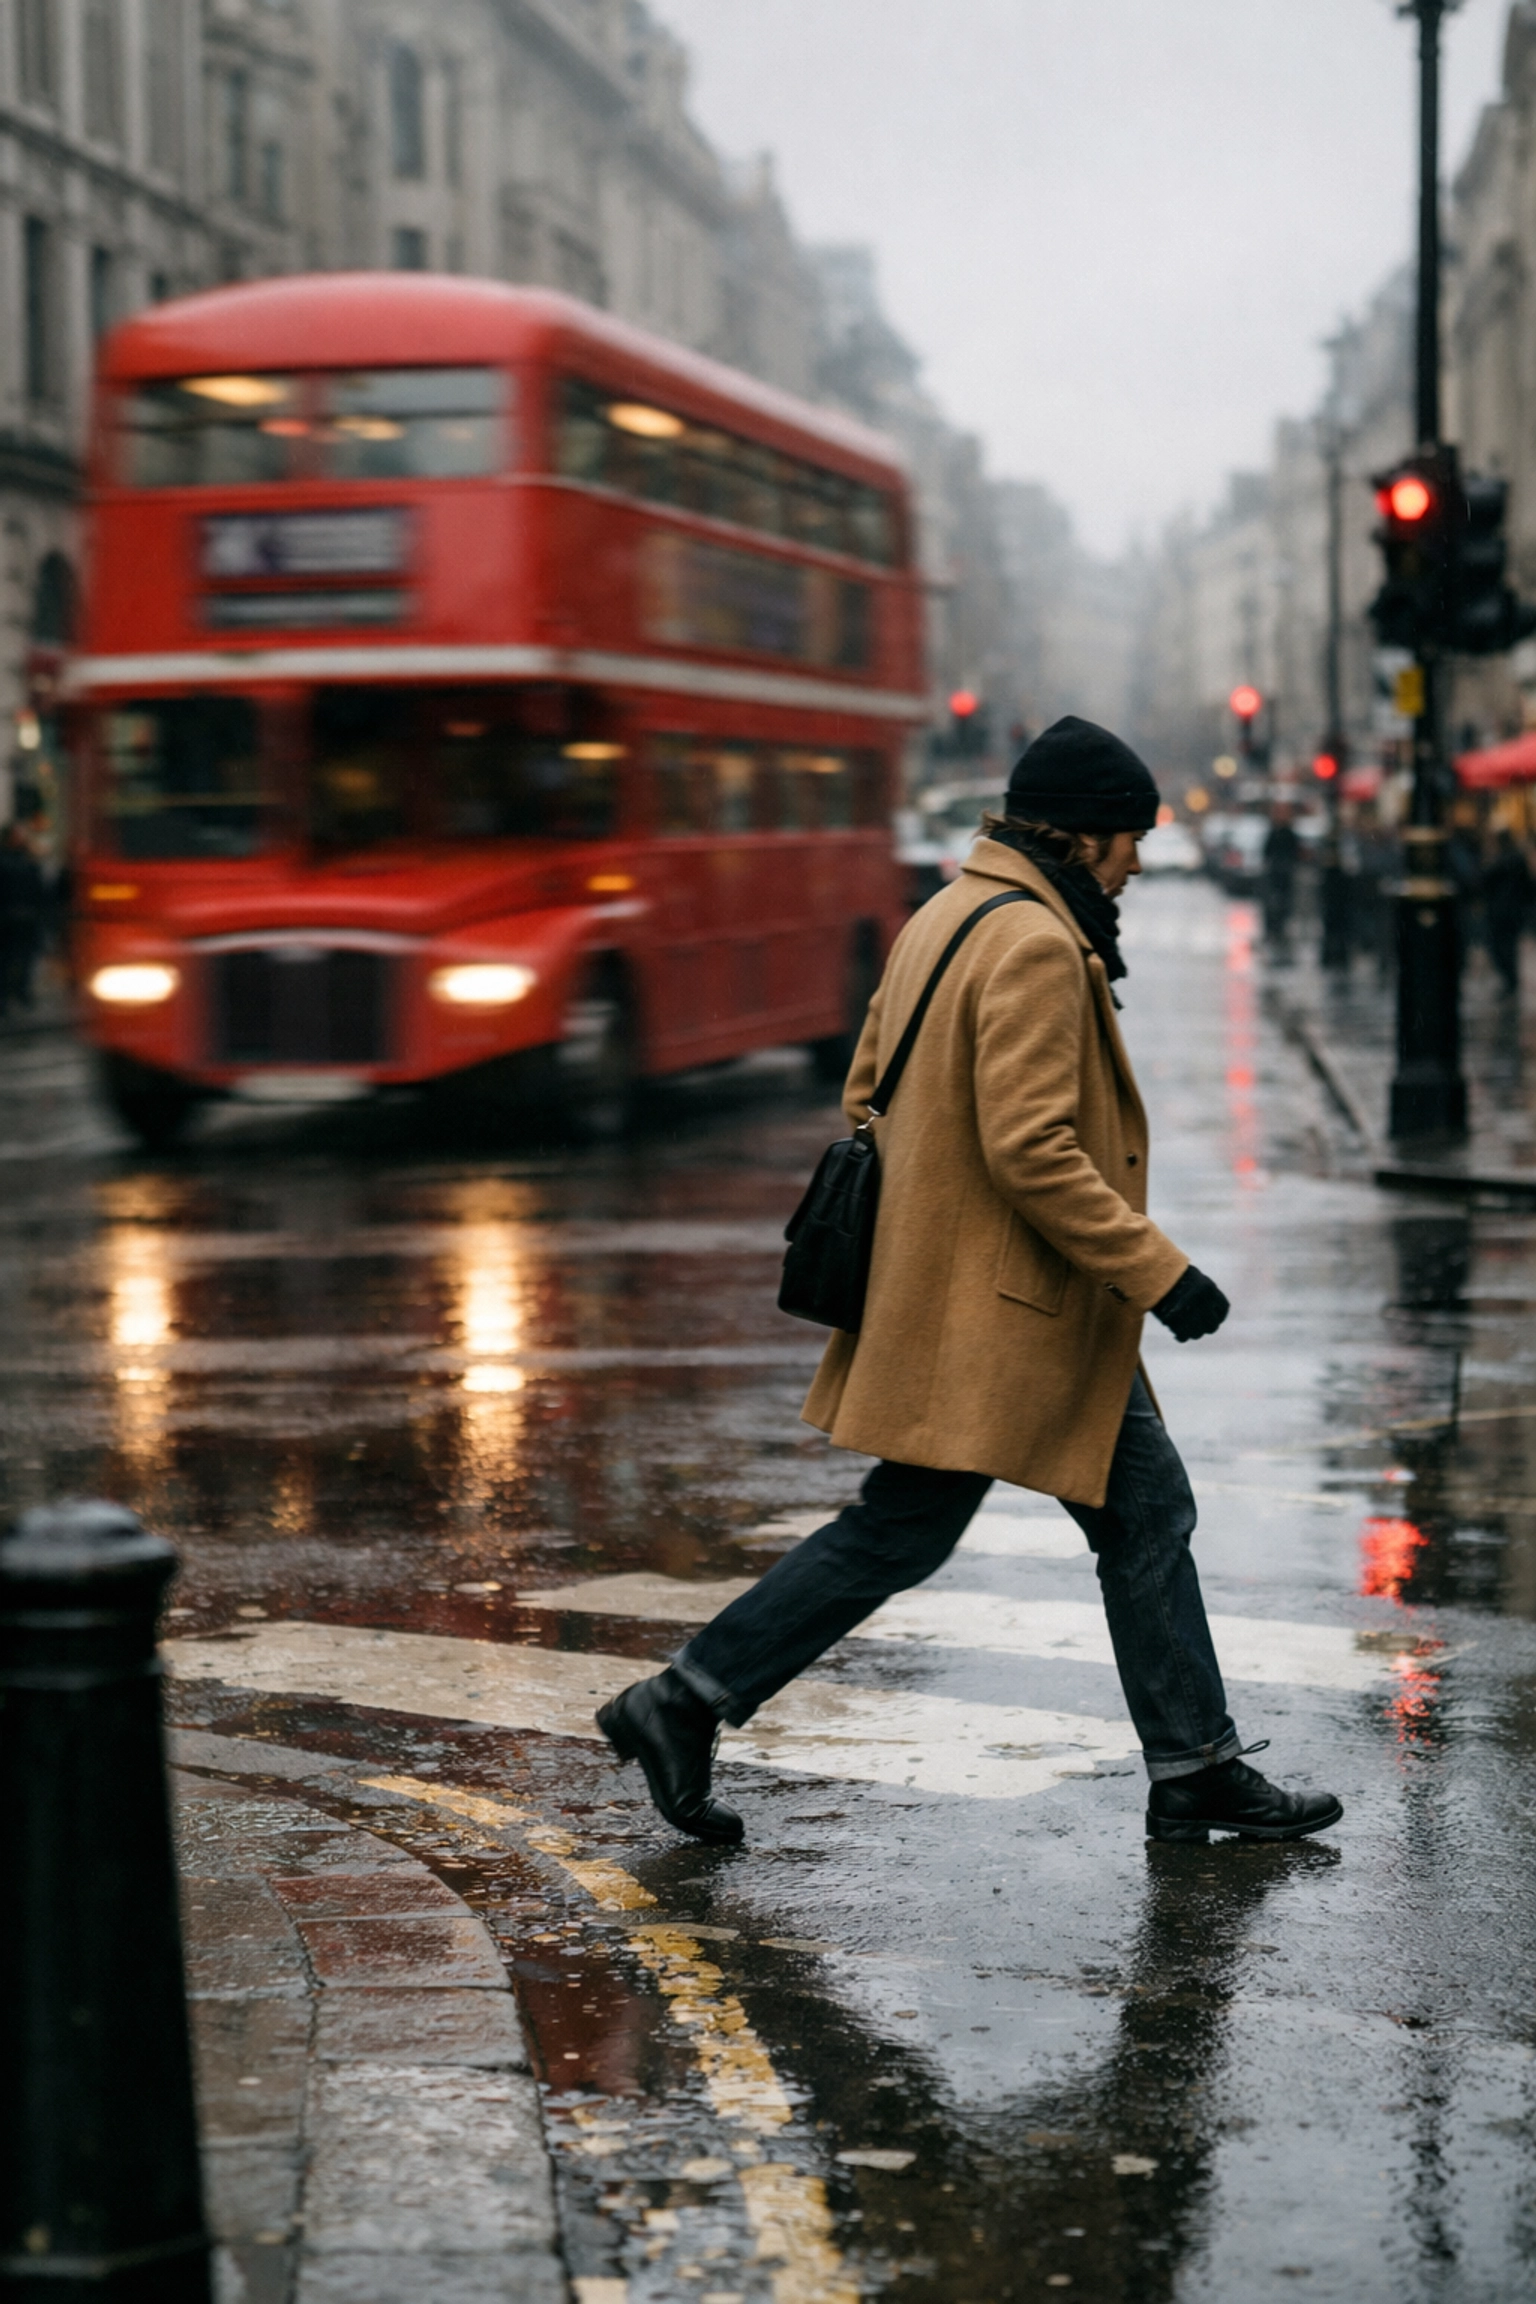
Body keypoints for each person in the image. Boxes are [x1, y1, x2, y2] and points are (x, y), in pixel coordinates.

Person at [598, 717, 1343, 1851]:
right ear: (1086, 838)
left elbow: (865, 1093)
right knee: (928, 1529)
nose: (1139, 860)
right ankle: (684, 1701)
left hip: (966, 1295)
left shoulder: (945, 915)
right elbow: (1034, 1148)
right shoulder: (1040, 945)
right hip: (1019, 1308)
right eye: (1131, 838)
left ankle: (1194, 1763)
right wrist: (1161, 1275)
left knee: (1117, 1514)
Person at [1483, 826, 1534, 996]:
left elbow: (1484, 879)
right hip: (1514, 911)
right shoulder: (1518, 859)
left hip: (1501, 912)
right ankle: (1511, 980)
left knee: (1500, 946)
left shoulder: (1500, 860)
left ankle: (1510, 981)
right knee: (1508, 946)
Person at [0, 821, 45, 1016]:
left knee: (25, 959)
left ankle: (21, 993)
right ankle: (8, 997)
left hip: (26, 919)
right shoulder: (11, 860)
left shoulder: (28, 860)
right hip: (8, 919)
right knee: (7, 960)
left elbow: (39, 890)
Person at [1261, 806, 1301, 950]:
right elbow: (1266, 852)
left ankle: (1280, 930)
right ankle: (1272, 931)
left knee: (1283, 904)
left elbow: (1296, 853)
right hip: (1275, 875)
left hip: (1285, 875)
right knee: (1272, 904)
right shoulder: (1274, 832)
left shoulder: (1288, 833)